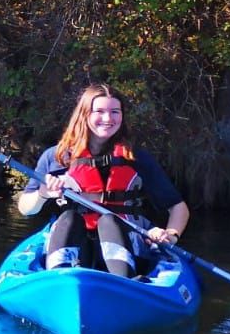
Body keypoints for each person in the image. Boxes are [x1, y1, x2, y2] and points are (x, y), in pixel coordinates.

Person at [15, 82, 191, 277]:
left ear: (122, 116)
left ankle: (123, 282)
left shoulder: (136, 158)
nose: (108, 118)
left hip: (125, 240)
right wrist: (43, 193)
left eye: (115, 111)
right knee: (69, 218)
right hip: (74, 239)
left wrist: (171, 235)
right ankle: (60, 279)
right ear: (85, 114)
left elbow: (178, 207)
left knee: (109, 221)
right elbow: (26, 208)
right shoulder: (55, 157)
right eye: (99, 111)